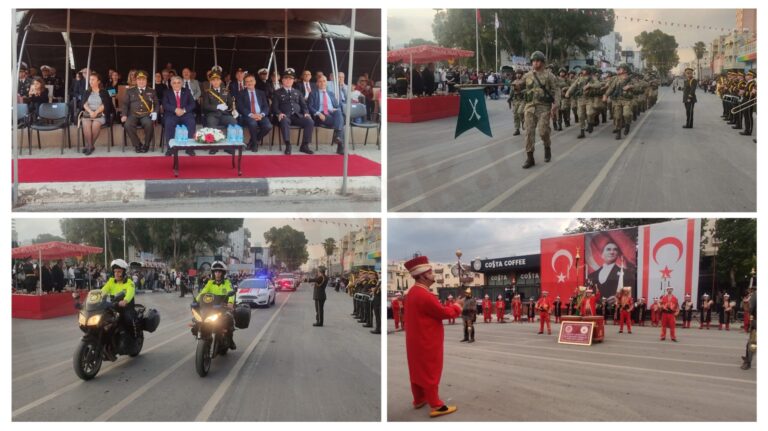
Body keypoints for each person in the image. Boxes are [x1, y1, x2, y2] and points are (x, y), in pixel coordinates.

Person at [402, 255, 461, 418]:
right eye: (431, 272)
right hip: (427, 339)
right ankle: (436, 405)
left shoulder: (412, 292)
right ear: (422, 275)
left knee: (416, 370)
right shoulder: (424, 295)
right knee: (430, 370)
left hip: (415, 339)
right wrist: (457, 306)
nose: (433, 274)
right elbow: (443, 313)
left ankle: (419, 399)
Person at [521, 51, 560, 168]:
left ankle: (547, 146)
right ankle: (530, 158)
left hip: (544, 107)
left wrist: (556, 104)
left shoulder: (549, 76)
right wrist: (516, 85)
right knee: (529, 132)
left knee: (543, 131)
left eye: (537, 61)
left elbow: (557, 89)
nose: (535, 63)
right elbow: (520, 84)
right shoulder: (527, 75)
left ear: (542, 62)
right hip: (530, 107)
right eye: (533, 61)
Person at [272, 68, 314, 155]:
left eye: (290, 79)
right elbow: (274, 107)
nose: (288, 80)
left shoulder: (297, 92)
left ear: (293, 80)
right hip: (285, 116)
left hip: (297, 116)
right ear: (282, 80)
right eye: (286, 78)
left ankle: (304, 145)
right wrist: (279, 113)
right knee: (284, 120)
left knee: (309, 121)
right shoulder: (277, 92)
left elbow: (303, 105)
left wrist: (306, 112)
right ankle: (288, 145)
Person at [195, 261, 236, 350]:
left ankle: (230, 340)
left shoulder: (227, 283)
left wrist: (230, 303)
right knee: (198, 320)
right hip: (210, 307)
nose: (217, 273)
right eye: (216, 271)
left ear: (223, 273)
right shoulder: (210, 283)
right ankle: (202, 335)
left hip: (223, 307)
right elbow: (203, 293)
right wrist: (196, 301)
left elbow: (231, 294)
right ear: (213, 273)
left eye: (219, 272)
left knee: (229, 319)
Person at [101, 259, 139, 351]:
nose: (117, 274)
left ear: (124, 272)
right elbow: (103, 291)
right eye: (115, 271)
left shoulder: (129, 282)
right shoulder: (111, 282)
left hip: (126, 308)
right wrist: (98, 296)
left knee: (128, 319)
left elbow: (130, 292)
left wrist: (125, 300)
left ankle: (134, 340)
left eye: (119, 271)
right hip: (114, 307)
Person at [121, 70, 158, 153]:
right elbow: (125, 104)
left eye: (143, 79)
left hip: (146, 115)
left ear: (146, 81)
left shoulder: (152, 91)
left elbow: (156, 104)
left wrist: (155, 112)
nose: (141, 81)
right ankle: (137, 144)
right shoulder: (130, 91)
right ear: (136, 81)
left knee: (149, 124)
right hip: (133, 115)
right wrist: (124, 115)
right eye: (139, 79)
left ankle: (146, 144)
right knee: (127, 124)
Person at [308, 75, 345, 155]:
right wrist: (318, 113)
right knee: (340, 123)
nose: (322, 83)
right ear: (317, 83)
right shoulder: (313, 93)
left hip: (332, 113)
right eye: (320, 81)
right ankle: (340, 145)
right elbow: (310, 107)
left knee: (338, 112)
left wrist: (335, 108)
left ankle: (338, 136)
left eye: (324, 81)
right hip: (320, 115)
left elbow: (337, 105)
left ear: (326, 82)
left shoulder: (331, 93)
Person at [235, 74, 272, 152]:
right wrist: (251, 115)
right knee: (253, 123)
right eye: (247, 81)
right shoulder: (241, 93)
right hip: (248, 116)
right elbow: (240, 107)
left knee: (268, 126)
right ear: (245, 83)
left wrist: (261, 114)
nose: (249, 83)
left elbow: (266, 106)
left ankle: (252, 141)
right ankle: (255, 144)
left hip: (260, 115)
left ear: (255, 82)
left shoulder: (261, 93)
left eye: (251, 81)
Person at [201, 71, 237, 154]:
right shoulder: (207, 92)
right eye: (213, 80)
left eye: (217, 80)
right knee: (211, 123)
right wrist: (217, 107)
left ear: (220, 81)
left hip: (224, 115)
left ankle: (229, 146)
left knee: (233, 122)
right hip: (212, 115)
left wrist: (234, 110)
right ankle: (214, 147)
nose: (215, 82)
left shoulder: (226, 91)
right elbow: (205, 106)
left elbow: (231, 103)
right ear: (210, 82)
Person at [162, 76, 196, 156]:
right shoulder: (167, 92)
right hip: (172, 114)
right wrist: (175, 109)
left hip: (185, 114)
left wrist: (183, 110)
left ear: (182, 84)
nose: (176, 85)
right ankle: (171, 148)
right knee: (169, 122)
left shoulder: (187, 91)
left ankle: (190, 148)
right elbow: (165, 104)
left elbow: (192, 104)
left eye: (178, 83)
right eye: (174, 83)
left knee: (191, 122)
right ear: (171, 84)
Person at [81, 72, 112, 155]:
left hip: (100, 113)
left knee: (95, 124)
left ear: (98, 81)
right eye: (90, 80)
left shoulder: (104, 92)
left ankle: (89, 145)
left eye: (93, 80)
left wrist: (96, 112)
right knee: (86, 123)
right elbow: (84, 104)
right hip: (88, 113)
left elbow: (104, 105)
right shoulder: (87, 92)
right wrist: (91, 112)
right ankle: (91, 146)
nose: (91, 81)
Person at [603, 63, 634, 140]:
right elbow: (611, 88)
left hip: (627, 100)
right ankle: (618, 132)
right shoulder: (616, 79)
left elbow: (638, 86)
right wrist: (606, 95)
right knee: (617, 117)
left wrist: (630, 86)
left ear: (625, 70)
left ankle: (627, 124)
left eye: (620, 69)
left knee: (627, 114)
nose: (618, 70)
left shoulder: (630, 78)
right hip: (617, 100)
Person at [565, 66, 597, 139]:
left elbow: (598, 85)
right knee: (580, 116)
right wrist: (568, 92)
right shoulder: (579, 78)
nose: (583, 71)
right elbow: (573, 86)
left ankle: (590, 123)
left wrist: (590, 85)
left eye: (584, 69)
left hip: (589, 99)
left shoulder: (592, 78)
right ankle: (582, 132)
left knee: (590, 113)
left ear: (588, 70)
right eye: (582, 70)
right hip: (580, 99)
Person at [741, 285, 756, 370]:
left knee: (752, 344)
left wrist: (746, 303)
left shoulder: (755, 295)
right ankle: (748, 359)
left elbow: (749, 309)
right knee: (750, 343)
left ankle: (748, 362)